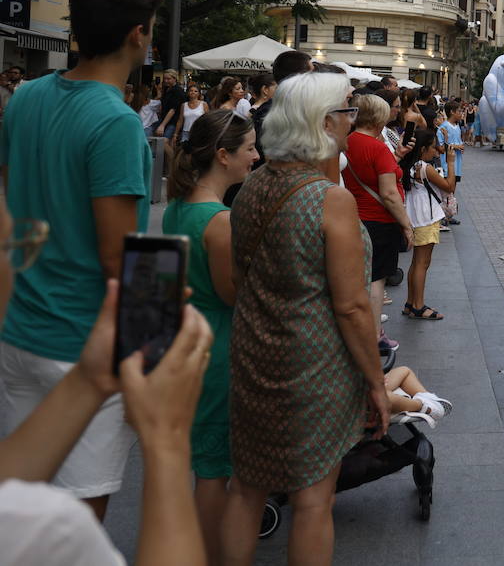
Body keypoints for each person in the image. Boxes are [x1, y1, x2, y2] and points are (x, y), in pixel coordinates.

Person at [0, 0, 160, 519]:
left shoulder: (25, 96)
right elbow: (122, 257)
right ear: (139, 34)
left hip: (20, 330)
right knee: (76, 523)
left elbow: (12, 203)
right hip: (79, 344)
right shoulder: (115, 121)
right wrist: (154, 355)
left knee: (24, 515)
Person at [220, 73, 388, 566]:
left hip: (253, 358)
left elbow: (239, 279)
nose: (352, 120)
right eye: (347, 111)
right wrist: (376, 382)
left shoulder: (252, 187)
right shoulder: (328, 200)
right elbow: (353, 306)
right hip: (313, 368)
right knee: (314, 500)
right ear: (325, 122)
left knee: (246, 488)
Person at [0, 191, 215, 565]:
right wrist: (167, 439)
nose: (17, 266)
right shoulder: (48, 529)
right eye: (9, 246)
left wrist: (90, 379)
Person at [161, 108, 258, 563]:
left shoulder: (178, 208)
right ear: (223, 156)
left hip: (188, 341)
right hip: (219, 347)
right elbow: (230, 294)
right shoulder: (219, 220)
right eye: (249, 149)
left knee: (204, 461)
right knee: (216, 469)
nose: (255, 157)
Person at [344, 94, 414, 351]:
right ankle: (374, 335)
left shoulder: (348, 141)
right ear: (378, 118)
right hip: (379, 219)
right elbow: (388, 193)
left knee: (361, 277)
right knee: (377, 279)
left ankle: (362, 330)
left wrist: (395, 158)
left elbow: (368, 175)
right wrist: (406, 224)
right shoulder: (376, 146)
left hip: (354, 215)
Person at [398, 129, 457, 320]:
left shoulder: (409, 165)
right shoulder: (425, 168)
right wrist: (450, 162)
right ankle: (418, 305)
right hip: (426, 216)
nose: (437, 151)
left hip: (413, 215)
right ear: (423, 149)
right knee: (423, 263)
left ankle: (410, 302)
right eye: (433, 147)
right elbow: (449, 186)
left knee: (416, 262)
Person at [155, 70, 187, 145]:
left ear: (175, 78)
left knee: (164, 143)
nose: (166, 81)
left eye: (168, 79)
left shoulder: (177, 91)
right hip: (164, 118)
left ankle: (173, 157)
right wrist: (158, 90)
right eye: (165, 78)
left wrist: (162, 125)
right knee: (159, 142)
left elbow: (173, 110)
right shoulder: (167, 89)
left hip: (173, 121)